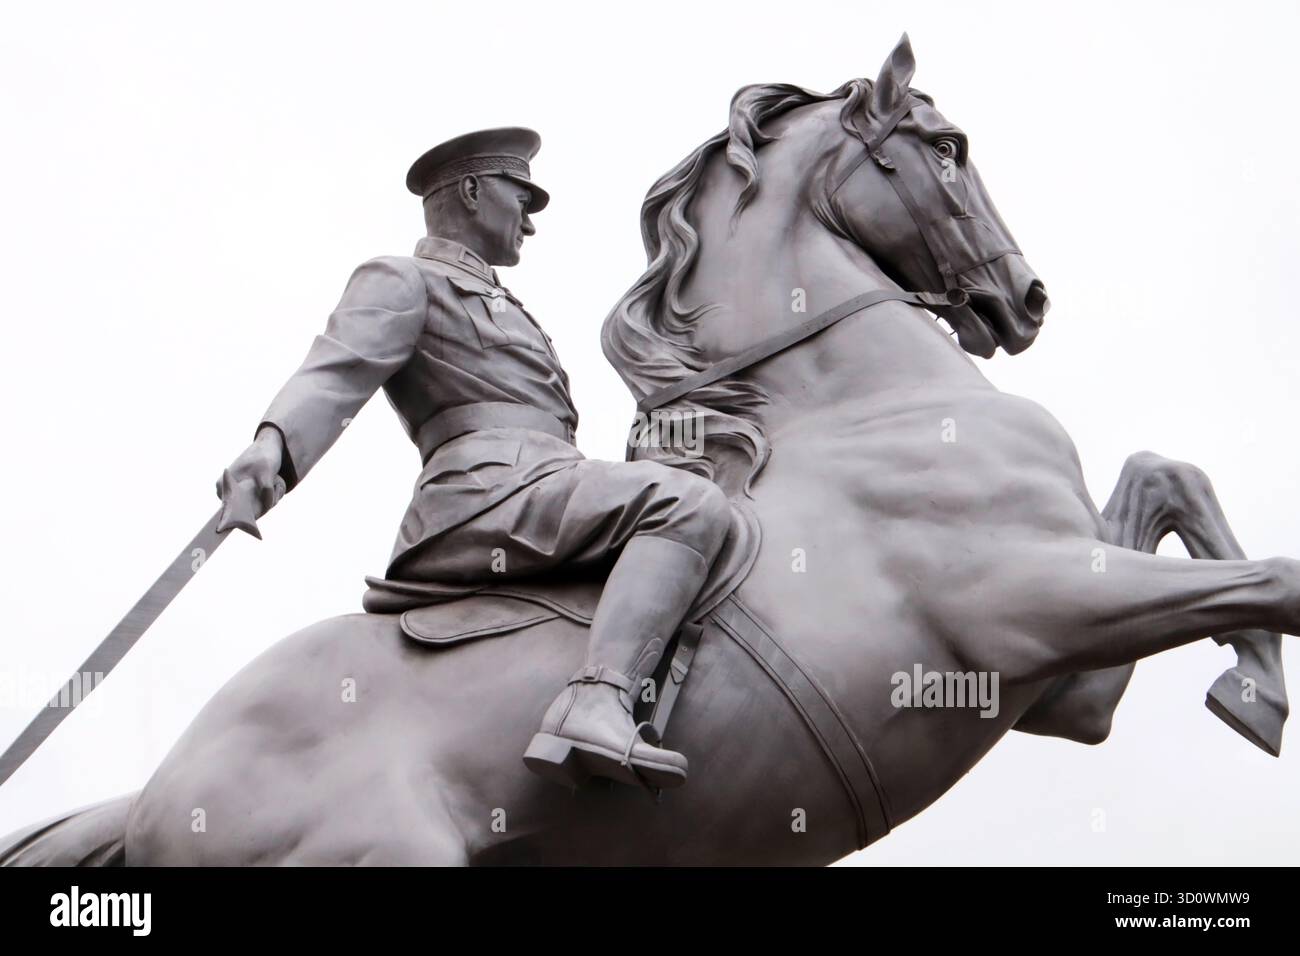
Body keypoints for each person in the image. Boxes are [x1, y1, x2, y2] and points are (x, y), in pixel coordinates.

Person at [218, 128, 730, 791]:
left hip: (540, 481)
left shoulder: (506, 303)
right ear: (472, 190)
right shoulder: (404, 279)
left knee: (680, 482)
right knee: (684, 504)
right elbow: (335, 370)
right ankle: (597, 698)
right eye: (524, 197)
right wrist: (274, 447)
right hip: (482, 495)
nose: (531, 222)